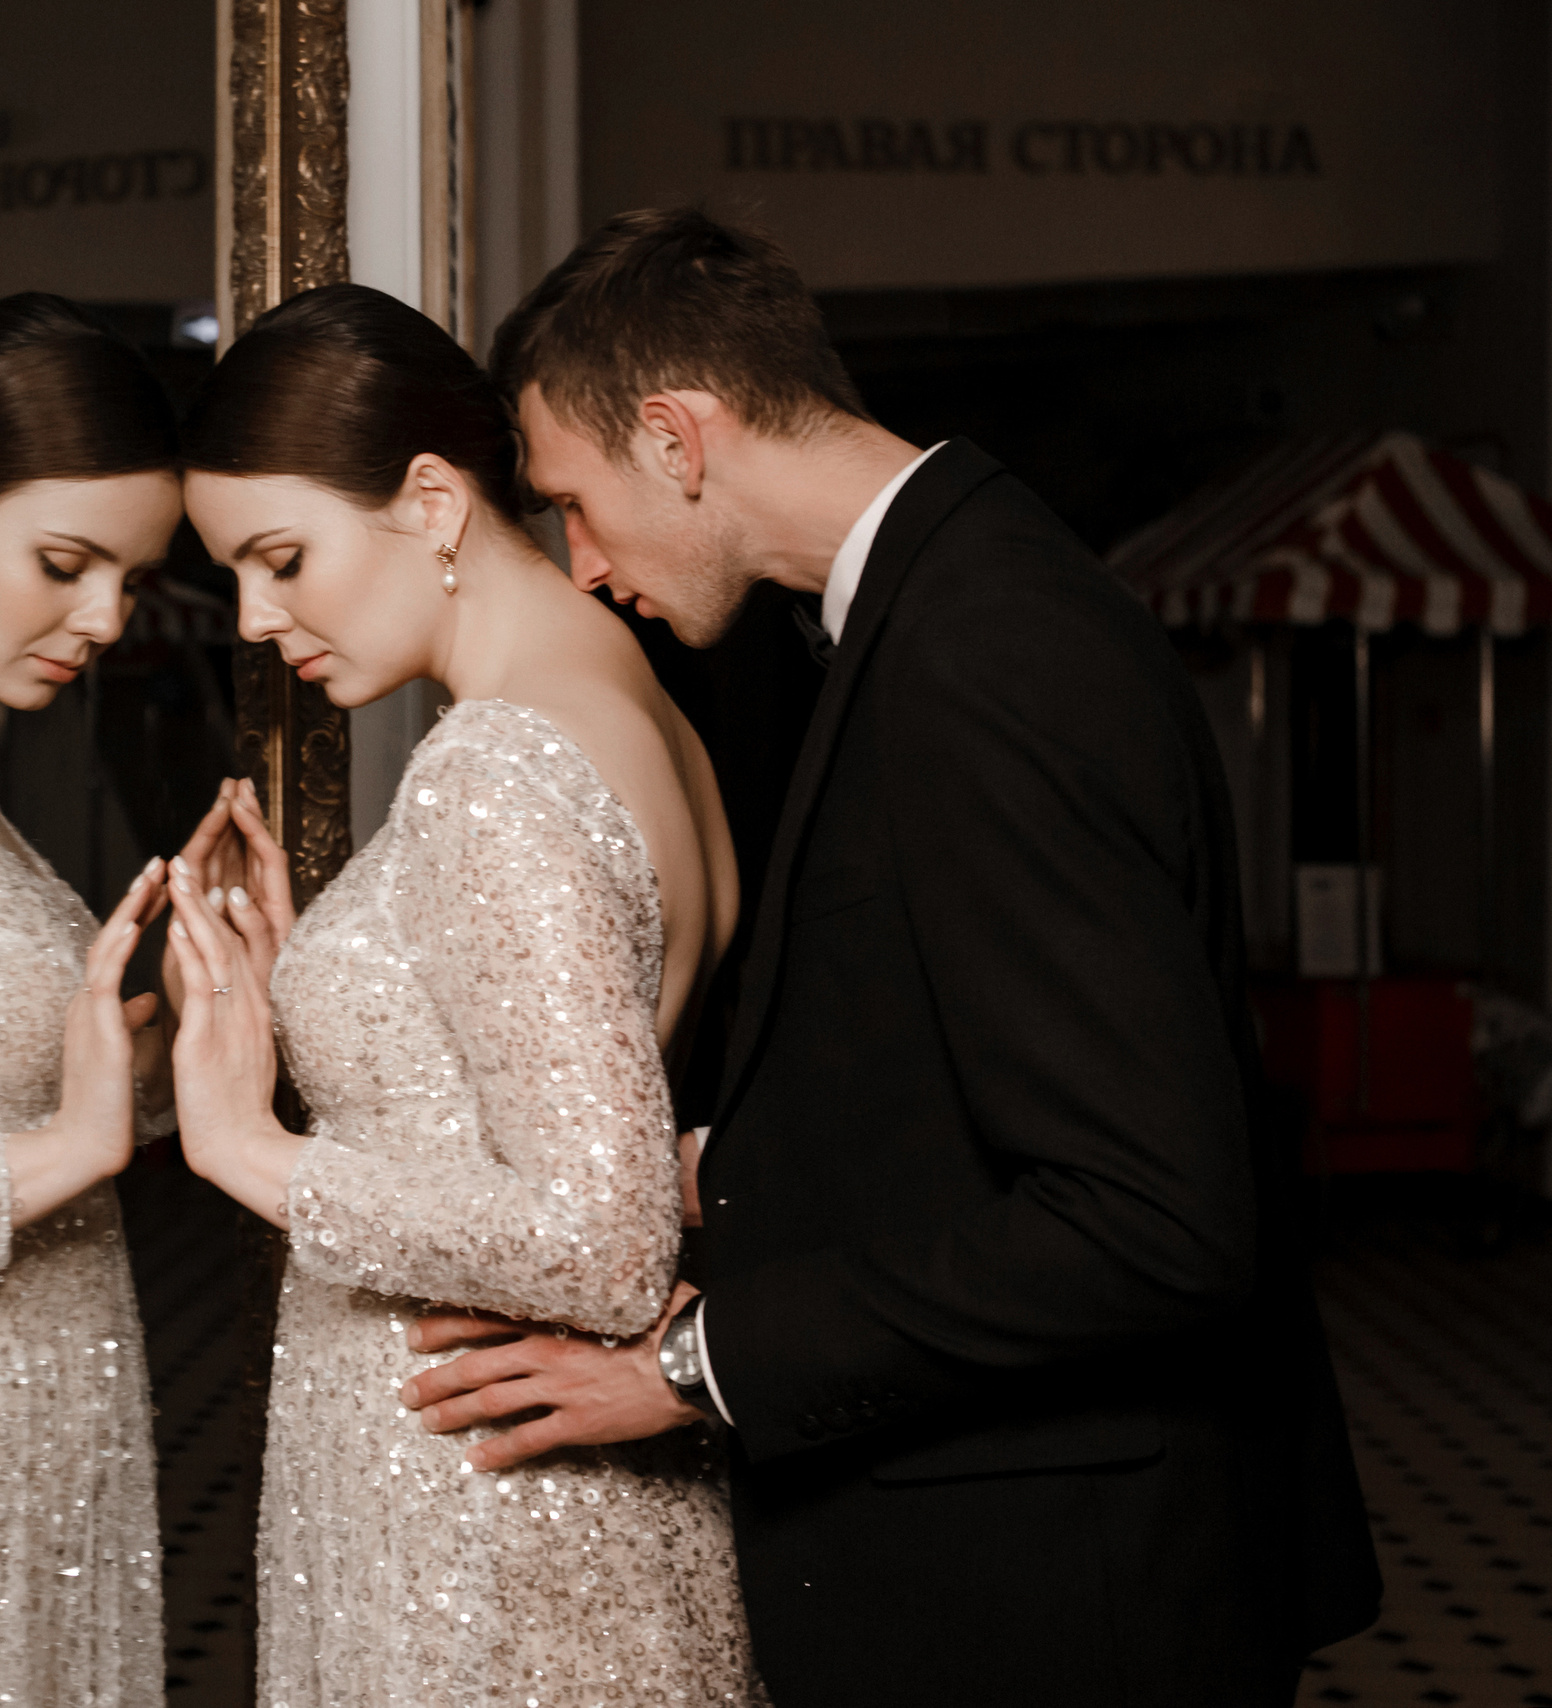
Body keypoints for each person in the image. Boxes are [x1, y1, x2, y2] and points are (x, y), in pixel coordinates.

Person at [402, 207, 1382, 1708]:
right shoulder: (940, 599)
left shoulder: (990, 649)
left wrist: (692, 1365)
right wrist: (729, 1168)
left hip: (1070, 1599)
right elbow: (977, 1064)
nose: (585, 566)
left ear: (676, 436)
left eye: (574, 503)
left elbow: (1152, 1217)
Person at [161, 282, 765, 1707]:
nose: (254, 617)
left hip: (475, 1526)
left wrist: (246, 1146)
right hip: (518, 1499)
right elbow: (547, 1071)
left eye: (282, 556)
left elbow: (597, 1241)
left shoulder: (491, 771)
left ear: (432, 502)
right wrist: (344, 975)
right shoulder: (627, 697)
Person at [0, 293, 184, 1708]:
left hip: (52, 1420)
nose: (106, 617)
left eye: (130, 575)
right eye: (65, 562)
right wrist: (71, 1151)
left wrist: (162, 1040)